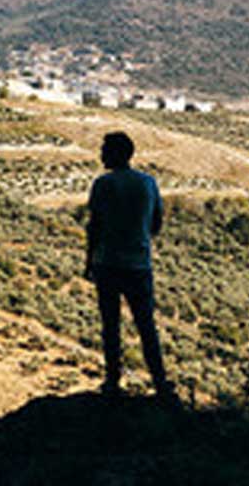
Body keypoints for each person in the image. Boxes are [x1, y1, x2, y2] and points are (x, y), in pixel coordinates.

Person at [84, 131, 175, 402]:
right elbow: (156, 224)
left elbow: (95, 226)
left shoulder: (102, 184)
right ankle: (160, 382)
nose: (100, 154)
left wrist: (88, 261)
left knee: (110, 324)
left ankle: (113, 381)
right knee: (146, 325)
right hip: (138, 264)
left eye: (104, 150)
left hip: (107, 262)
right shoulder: (149, 183)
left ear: (114, 153)